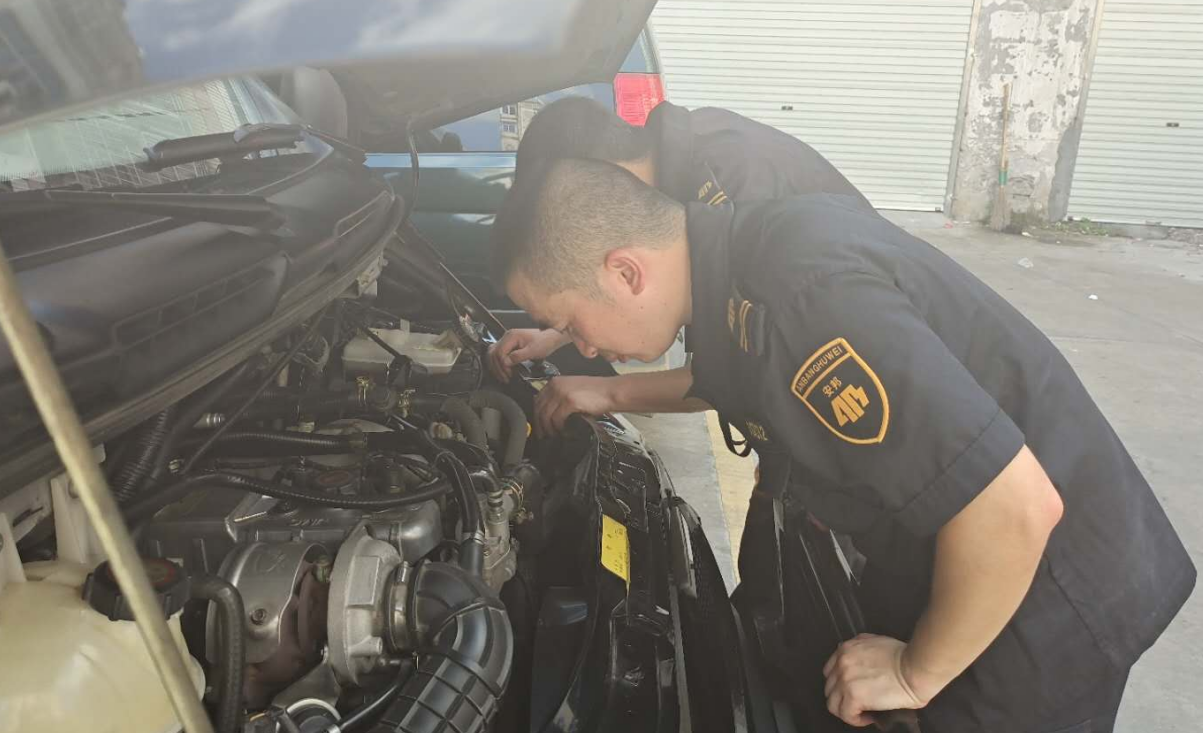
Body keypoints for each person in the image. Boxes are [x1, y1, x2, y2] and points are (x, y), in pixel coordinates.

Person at [490, 158, 1196, 732]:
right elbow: (734, 373)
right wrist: (608, 394)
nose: (580, 346)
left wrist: (914, 672)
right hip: (959, 545)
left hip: (1042, 587)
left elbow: (1014, 507)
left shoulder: (806, 297)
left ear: (625, 272)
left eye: (570, 324)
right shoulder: (732, 259)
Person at [488, 97, 863, 439]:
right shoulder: (689, 157)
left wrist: (608, 392)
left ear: (593, 181)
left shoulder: (738, 189)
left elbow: (743, 370)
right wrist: (559, 333)